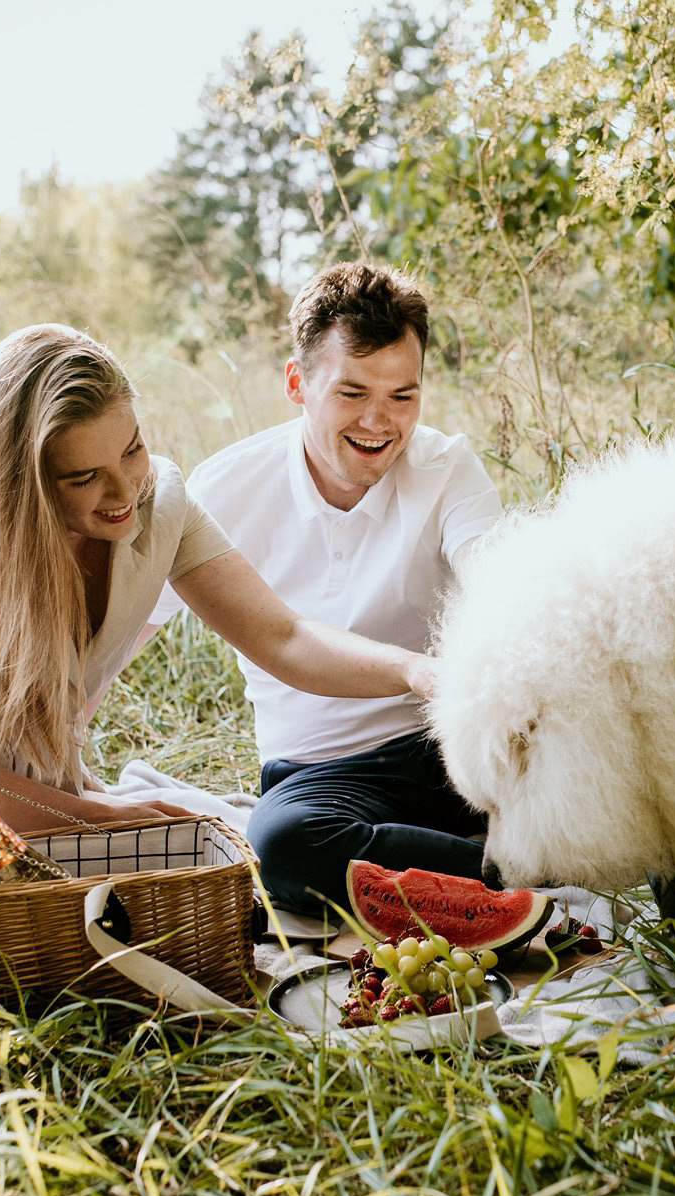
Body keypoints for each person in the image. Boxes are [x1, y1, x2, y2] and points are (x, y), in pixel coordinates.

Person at [0, 322, 435, 954]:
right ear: (16, 482)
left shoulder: (160, 503)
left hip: (12, 781)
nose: (124, 491)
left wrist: (417, 672)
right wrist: (98, 812)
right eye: (84, 476)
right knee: (82, 904)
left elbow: (284, 637)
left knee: (204, 863)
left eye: (133, 450)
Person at [172, 262, 503, 918]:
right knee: (283, 846)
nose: (380, 423)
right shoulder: (222, 490)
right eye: (352, 393)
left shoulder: (445, 466)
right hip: (326, 776)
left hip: (452, 744)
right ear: (298, 382)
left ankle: (499, 857)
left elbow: (502, 578)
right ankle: (520, 871)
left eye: (403, 396)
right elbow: (122, 630)